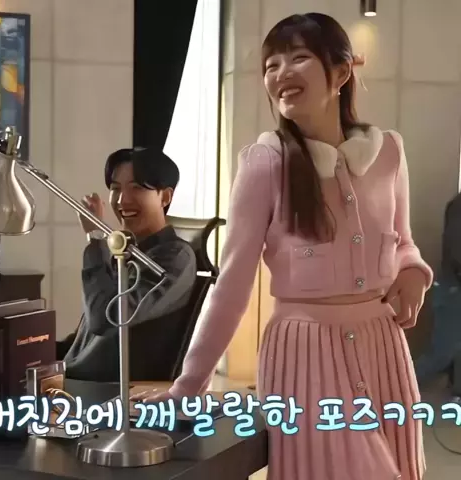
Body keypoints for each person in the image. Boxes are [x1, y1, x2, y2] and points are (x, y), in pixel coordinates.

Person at [132, 13, 433, 480]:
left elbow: (404, 243)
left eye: (298, 58)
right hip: (306, 355)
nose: (280, 74)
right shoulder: (265, 163)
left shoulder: (388, 152)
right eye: (271, 65)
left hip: (382, 347)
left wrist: (414, 272)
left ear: (341, 72)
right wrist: (187, 387)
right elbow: (231, 286)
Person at [62, 147, 197, 382]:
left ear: (165, 197)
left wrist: (95, 237)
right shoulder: (127, 250)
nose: (122, 200)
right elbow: (86, 340)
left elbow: (105, 318)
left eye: (136, 188)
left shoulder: (175, 257)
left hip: (108, 389)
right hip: (72, 377)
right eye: (115, 188)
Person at [415, 192, 461, 389]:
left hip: (453, 288)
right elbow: (457, 250)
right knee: (441, 354)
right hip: (454, 290)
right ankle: (395, 387)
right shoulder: (459, 207)